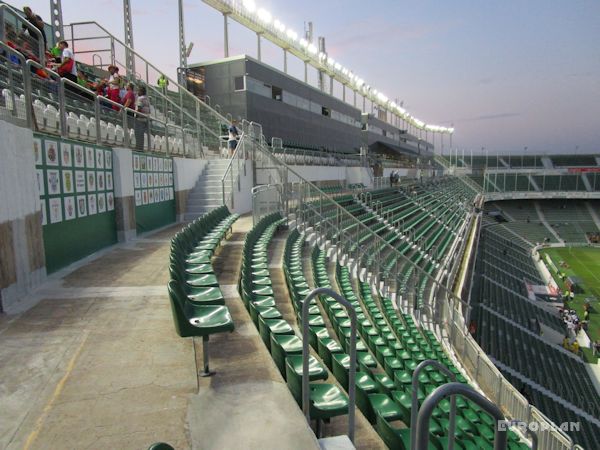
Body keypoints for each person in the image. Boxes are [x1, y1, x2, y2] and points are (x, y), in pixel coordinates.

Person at [134, 86, 150, 151]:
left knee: (138, 134)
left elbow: (139, 108)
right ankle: (141, 148)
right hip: (145, 119)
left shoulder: (140, 98)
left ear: (141, 92)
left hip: (139, 119)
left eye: (139, 91)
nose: (138, 92)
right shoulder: (147, 99)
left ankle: (138, 148)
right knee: (141, 135)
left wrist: (136, 116)